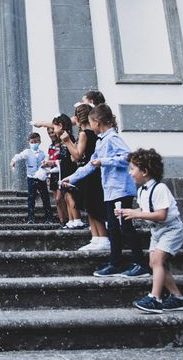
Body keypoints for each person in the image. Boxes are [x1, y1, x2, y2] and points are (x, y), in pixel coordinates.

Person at [61, 104, 148, 278]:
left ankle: (140, 264)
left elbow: (127, 157)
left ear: (98, 122)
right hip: (110, 191)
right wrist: (71, 178)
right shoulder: (101, 140)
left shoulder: (112, 138)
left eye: (91, 122)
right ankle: (115, 263)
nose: (89, 125)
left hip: (121, 190)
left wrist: (104, 161)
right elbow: (90, 164)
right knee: (114, 229)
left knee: (125, 227)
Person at [119, 149, 183, 314]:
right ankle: (177, 298)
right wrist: (129, 211)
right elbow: (146, 209)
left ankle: (155, 298)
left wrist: (137, 214)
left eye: (132, 169)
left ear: (144, 171)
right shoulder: (142, 190)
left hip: (171, 229)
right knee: (155, 263)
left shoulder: (160, 188)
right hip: (157, 230)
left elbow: (162, 214)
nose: (130, 173)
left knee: (156, 260)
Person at [60, 104, 109, 250]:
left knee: (92, 206)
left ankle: (102, 237)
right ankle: (96, 237)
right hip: (92, 171)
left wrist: (67, 141)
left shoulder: (84, 134)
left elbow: (77, 156)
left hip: (89, 172)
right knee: (90, 206)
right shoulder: (95, 134)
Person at [10, 132, 56, 224]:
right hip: (31, 178)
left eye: (36, 142)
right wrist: (13, 161)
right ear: (29, 142)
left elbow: (47, 167)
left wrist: (47, 176)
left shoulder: (43, 153)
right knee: (31, 198)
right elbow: (18, 156)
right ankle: (30, 218)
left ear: (39, 142)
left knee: (45, 198)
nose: (34, 144)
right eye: (32, 142)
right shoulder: (27, 152)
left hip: (41, 179)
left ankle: (49, 218)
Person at [51, 114, 84, 230]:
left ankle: (77, 219)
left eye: (54, 127)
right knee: (66, 196)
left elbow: (73, 154)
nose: (53, 130)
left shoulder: (68, 137)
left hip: (70, 170)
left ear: (60, 126)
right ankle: (71, 219)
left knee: (71, 196)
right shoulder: (62, 138)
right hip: (64, 169)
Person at [45, 127, 67, 226]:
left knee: (60, 198)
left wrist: (52, 162)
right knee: (56, 201)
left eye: (52, 132)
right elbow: (50, 158)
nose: (51, 135)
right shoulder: (50, 146)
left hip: (61, 173)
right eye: (49, 133)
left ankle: (68, 218)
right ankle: (62, 221)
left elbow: (64, 160)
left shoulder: (63, 144)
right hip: (53, 174)